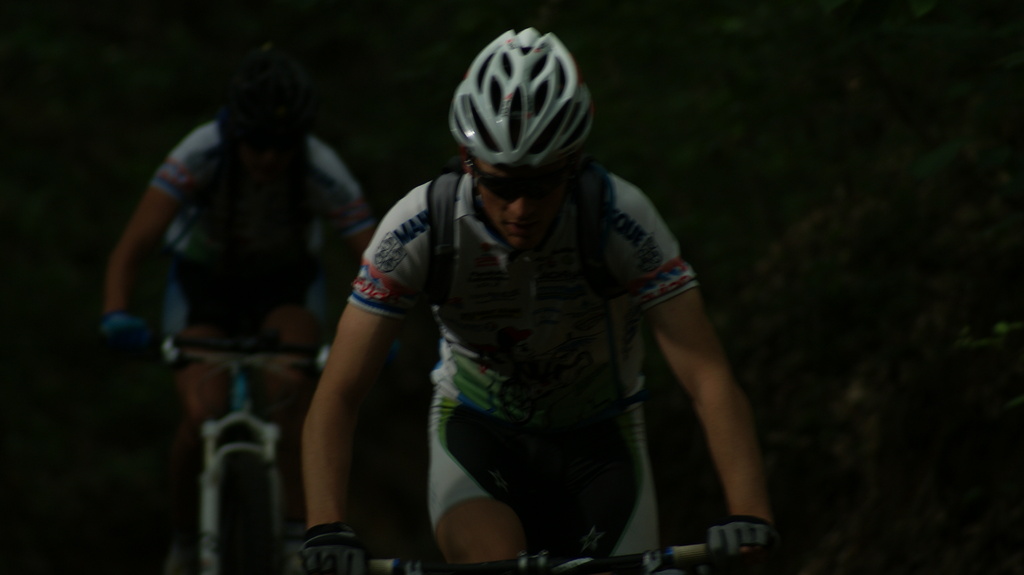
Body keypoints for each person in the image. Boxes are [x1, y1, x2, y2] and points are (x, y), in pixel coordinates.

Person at [300, 28, 777, 574]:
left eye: (543, 184)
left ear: (573, 164)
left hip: (600, 443)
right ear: (468, 160)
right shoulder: (420, 227)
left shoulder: (621, 220)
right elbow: (339, 392)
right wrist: (325, 526)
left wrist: (750, 512)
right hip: (478, 433)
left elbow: (707, 375)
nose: (521, 208)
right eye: (502, 186)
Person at [100, 45, 377, 575]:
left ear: (301, 139)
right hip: (206, 287)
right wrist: (116, 312)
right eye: (256, 142)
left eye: (283, 144)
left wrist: (379, 334)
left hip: (284, 288)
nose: (269, 157)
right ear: (232, 133)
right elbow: (132, 246)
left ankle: (295, 542)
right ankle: (185, 542)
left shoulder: (322, 168)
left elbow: (378, 260)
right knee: (200, 415)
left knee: (292, 401)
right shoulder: (199, 153)